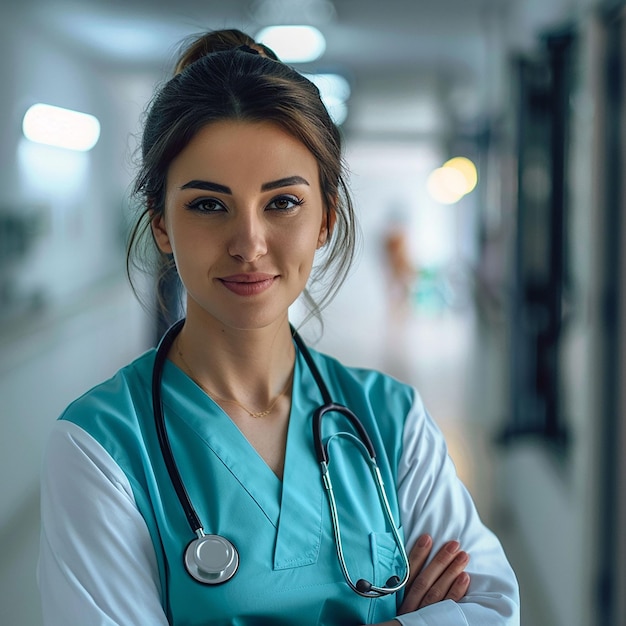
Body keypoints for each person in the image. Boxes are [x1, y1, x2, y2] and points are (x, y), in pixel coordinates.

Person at [38, 29, 520, 625]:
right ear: (162, 225)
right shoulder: (101, 448)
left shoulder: (392, 421)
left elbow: (493, 607)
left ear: (325, 219)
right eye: (208, 205)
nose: (249, 244)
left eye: (283, 202)